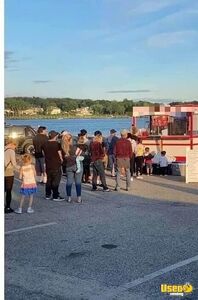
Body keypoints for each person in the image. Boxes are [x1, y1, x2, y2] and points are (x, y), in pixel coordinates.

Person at [42, 130, 65, 201]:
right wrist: (61, 160)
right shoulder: (57, 144)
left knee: (49, 179)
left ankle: (47, 194)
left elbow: (43, 153)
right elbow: (60, 154)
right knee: (56, 180)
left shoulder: (44, 144)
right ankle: (55, 195)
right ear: (55, 136)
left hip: (48, 164)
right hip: (56, 164)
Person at [62, 134, 84, 203]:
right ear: (70, 139)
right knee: (78, 182)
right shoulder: (75, 147)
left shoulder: (64, 148)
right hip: (77, 166)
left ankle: (69, 197)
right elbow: (82, 155)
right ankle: (79, 198)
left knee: (69, 182)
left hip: (68, 166)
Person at [4, 138, 18, 213]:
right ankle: (7, 207)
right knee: (8, 191)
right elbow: (14, 164)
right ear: (12, 144)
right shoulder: (11, 151)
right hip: (8, 172)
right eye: (15, 145)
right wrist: (21, 168)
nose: (15, 147)